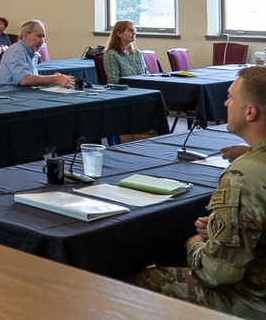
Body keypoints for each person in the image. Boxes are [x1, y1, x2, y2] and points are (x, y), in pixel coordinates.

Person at [131, 66, 266, 317]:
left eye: (231, 97)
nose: (226, 102)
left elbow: (217, 272)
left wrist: (194, 245)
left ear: (250, 112)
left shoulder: (244, 176)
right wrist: (219, 227)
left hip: (252, 302)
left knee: (140, 278)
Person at [0, 20, 74, 92]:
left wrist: (54, 78)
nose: (42, 41)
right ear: (25, 36)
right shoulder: (16, 51)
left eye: (43, 37)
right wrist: (54, 79)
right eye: (39, 36)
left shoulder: (32, 53)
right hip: (10, 97)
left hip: (24, 95)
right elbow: (24, 79)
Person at [103, 20, 148, 84]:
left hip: (142, 88)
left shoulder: (137, 53)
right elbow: (113, 80)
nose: (134, 33)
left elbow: (146, 74)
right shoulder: (111, 54)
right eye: (130, 31)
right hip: (125, 90)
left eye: (134, 30)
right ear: (119, 34)